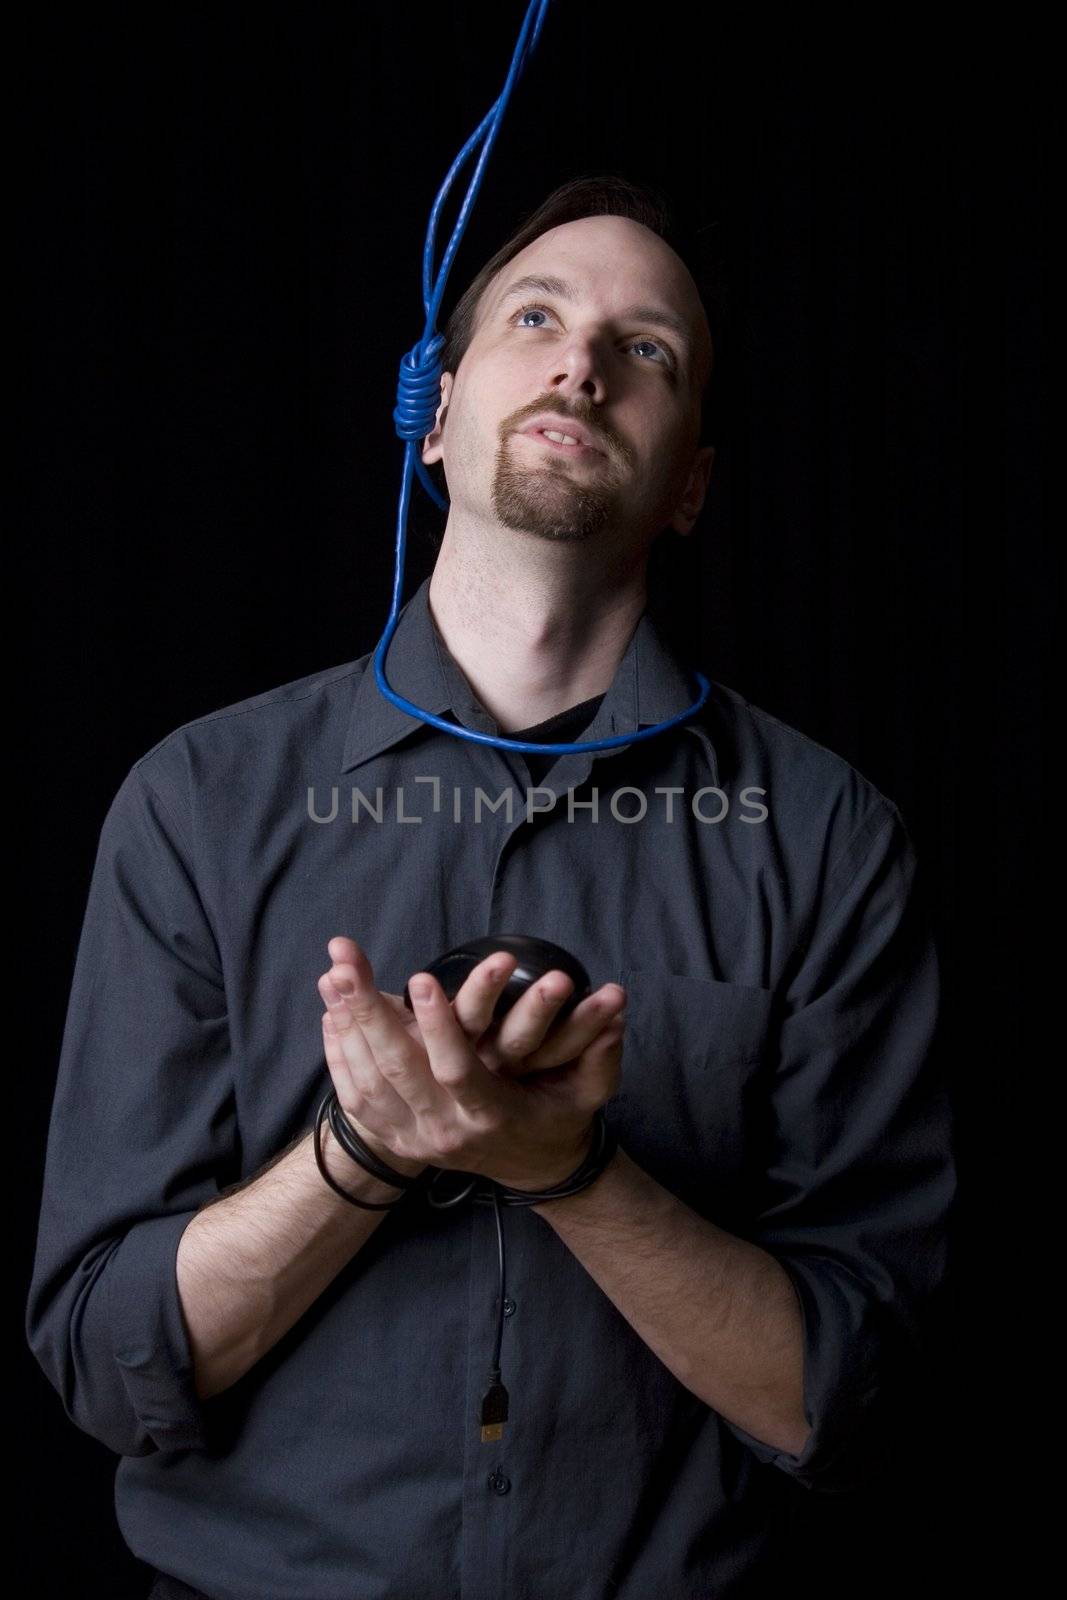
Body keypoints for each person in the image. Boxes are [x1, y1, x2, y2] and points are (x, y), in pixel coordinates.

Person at [26, 175, 956, 1600]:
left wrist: (575, 1174)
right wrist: (365, 1157)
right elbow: (108, 1358)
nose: (584, 360)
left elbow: (843, 1397)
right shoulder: (197, 805)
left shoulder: (829, 841)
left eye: (648, 350)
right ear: (435, 419)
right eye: (538, 316)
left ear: (692, 480)